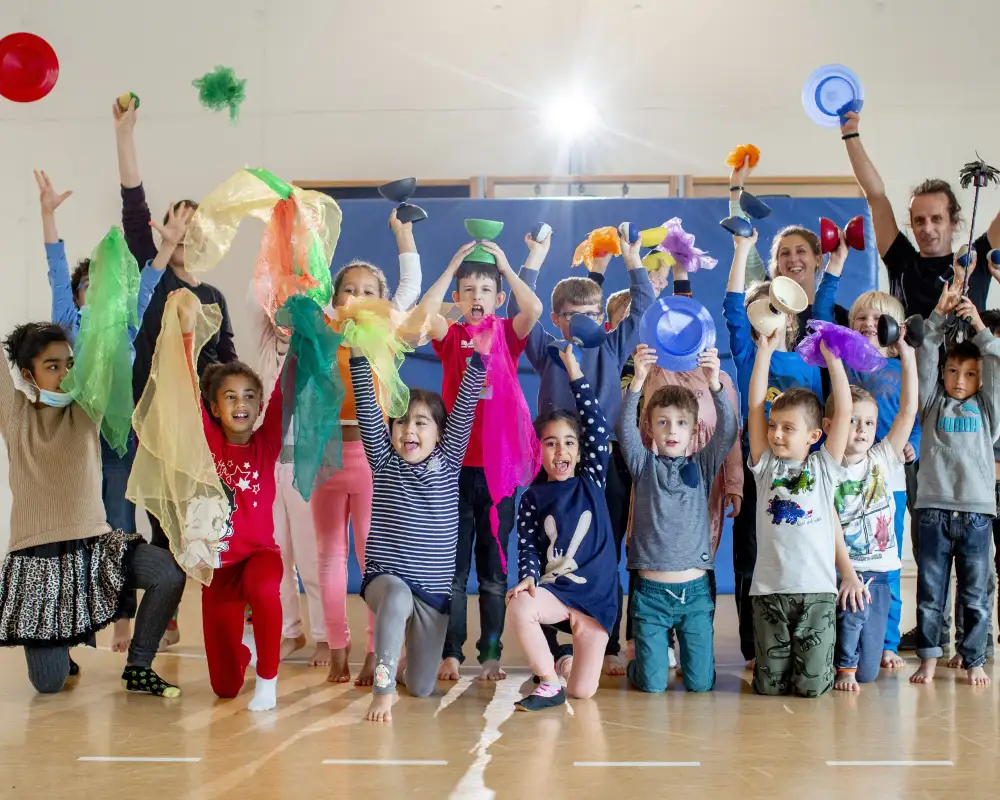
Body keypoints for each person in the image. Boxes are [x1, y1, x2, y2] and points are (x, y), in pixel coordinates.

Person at [256, 208, 423, 682]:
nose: (359, 297)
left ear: (381, 302)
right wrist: (300, 233)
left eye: (369, 291)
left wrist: (404, 233)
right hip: (329, 456)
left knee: (370, 559)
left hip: (373, 461)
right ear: (335, 298)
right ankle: (337, 648)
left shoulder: (384, 325)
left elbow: (410, 285)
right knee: (330, 557)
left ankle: (372, 650)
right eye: (350, 289)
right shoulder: (324, 327)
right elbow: (299, 291)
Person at [113, 95, 238, 649]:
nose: (184, 233)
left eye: (194, 225)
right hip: (157, 427)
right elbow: (132, 204)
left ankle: (220, 618)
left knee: (208, 524)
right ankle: (161, 617)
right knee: (163, 525)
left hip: (204, 429)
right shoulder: (154, 273)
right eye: (177, 222)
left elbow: (227, 364)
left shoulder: (213, 296)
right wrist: (125, 136)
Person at [0, 322, 184, 696]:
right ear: (27, 375)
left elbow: (109, 339)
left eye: (69, 364)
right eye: (52, 366)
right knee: (49, 684)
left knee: (167, 572)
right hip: (39, 560)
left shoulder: (85, 407)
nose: (65, 374)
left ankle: (139, 667)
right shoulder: (15, 414)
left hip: (94, 546)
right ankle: (60, 644)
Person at [508, 226, 654, 675]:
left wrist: (633, 257)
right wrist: (535, 257)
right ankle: (557, 650)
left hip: (602, 464)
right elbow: (519, 310)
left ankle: (604, 640)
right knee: (545, 549)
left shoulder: (612, 345)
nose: (587, 320)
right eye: (575, 315)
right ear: (558, 318)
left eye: (593, 313)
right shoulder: (548, 351)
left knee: (605, 553)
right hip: (552, 468)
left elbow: (643, 305)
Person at [35, 168, 170, 654]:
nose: (96, 289)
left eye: (104, 283)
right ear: (77, 296)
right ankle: (72, 626)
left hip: (117, 442)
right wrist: (48, 215)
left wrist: (168, 245)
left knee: (119, 527)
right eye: (87, 284)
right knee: (72, 528)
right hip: (75, 439)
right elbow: (56, 268)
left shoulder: (126, 324)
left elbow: (149, 282)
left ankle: (121, 620)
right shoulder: (68, 322)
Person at [416, 240, 543, 682]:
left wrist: (505, 265)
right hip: (454, 469)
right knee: (453, 570)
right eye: (467, 290)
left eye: (485, 290)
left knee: (493, 571)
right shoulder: (452, 338)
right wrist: (452, 261)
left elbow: (535, 308)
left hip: (498, 474)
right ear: (457, 297)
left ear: (498, 297)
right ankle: (451, 652)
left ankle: (490, 653)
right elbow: (424, 313)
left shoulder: (508, 334)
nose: (476, 297)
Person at [349, 339, 486, 722]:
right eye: (401, 421)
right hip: (387, 578)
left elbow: (465, 404)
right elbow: (366, 404)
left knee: (423, 687)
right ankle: (383, 689)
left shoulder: (449, 460)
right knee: (396, 598)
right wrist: (358, 351)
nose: (409, 429)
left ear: (440, 434)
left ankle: (398, 662)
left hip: (432, 592)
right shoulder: (383, 459)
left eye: (421, 422)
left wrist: (481, 355)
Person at [171, 292, 286, 710]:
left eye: (250, 396)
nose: (241, 403)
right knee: (224, 688)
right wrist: (187, 334)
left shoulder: (267, 443)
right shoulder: (209, 444)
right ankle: (242, 651)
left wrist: (297, 341)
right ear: (216, 409)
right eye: (231, 397)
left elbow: (286, 391)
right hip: (218, 567)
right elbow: (186, 388)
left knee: (264, 587)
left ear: (259, 405)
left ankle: (268, 680)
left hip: (259, 555)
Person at [747, 328, 869, 697]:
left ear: (814, 436)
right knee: (769, 689)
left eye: (788, 428)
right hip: (769, 593)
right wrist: (764, 353)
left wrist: (833, 361)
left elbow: (844, 412)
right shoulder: (765, 466)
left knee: (812, 688)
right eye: (773, 426)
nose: (776, 434)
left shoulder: (824, 467)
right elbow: (755, 407)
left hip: (816, 593)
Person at [724, 230, 824, 666]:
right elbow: (731, 308)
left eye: (778, 308)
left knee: (801, 550)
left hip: (802, 473)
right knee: (750, 554)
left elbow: (819, 417)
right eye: (762, 309)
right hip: (757, 470)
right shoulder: (749, 357)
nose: (770, 316)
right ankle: (754, 646)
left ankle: (803, 636)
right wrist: (743, 250)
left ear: (792, 318)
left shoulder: (810, 360)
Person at [814, 284, 923, 670]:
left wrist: (912, 444)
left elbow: (911, 414)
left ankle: (887, 641)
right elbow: (822, 318)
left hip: (885, 472)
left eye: (879, 319)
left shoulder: (897, 368)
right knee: (841, 561)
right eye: (860, 317)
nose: (868, 323)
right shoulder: (847, 364)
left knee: (887, 564)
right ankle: (837, 638)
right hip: (846, 474)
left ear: (893, 329)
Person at [617, 344, 737, 693]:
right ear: (650, 427)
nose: (672, 430)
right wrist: (637, 382)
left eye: (681, 423)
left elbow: (727, 431)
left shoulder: (703, 464)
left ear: (694, 429)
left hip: (694, 594)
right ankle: (641, 664)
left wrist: (715, 385)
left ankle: (681, 658)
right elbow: (624, 429)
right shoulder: (643, 465)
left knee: (701, 684)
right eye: (663, 422)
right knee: (653, 685)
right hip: (651, 594)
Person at [507, 345, 619, 710]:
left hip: (596, 601)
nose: (560, 452)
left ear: (580, 451)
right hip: (557, 593)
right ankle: (549, 681)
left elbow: (597, 427)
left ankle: (565, 661)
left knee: (583, 692)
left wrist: (574, 371)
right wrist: (528, 577)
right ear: (539, 451)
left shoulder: (591, 480)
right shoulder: (533, 497)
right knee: (520, 605)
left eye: (569, 443)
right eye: (551, 444)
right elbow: (527, 546)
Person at [910, 277, 1000, 687]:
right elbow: (926, 353)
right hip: (933, 511)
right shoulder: (931, 404)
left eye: (969, 374)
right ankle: (930, 657)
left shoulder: (988, 410)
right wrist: (937, 316)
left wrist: (978, 326)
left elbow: (995, 363)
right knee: (931, 593)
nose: (959, 380)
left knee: (975, 595)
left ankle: (974, 657)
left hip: (977, 515)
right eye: (952, 371)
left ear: (980, 379)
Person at [840, 110, 1000, 318]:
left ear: (954, 221)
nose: (927, 228)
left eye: (936, 219)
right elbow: (875, 196)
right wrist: (850, 134)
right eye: (919, 221)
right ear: (912, 225)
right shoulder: (902, 261)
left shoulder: (974, 261)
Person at [826, 331, 917, 692]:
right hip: (846, 572)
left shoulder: (882, 458)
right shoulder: (829, 466)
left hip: (879, 574)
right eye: (853, 420)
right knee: (848, 649)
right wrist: (834, 361)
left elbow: (908, 411)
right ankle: (841, 667)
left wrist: (907, 355)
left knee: (869, 672)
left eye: (869, 422)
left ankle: (851, 666)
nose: (861, 429)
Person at [728, 155, 849, 329]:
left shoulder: (838, 316)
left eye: (801, 251)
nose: (793, 259)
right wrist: (736, 186)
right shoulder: (767, 304)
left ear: (817, 259)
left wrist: (837, 261)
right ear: (777, 263)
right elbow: (743, 237)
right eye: (785, 253)